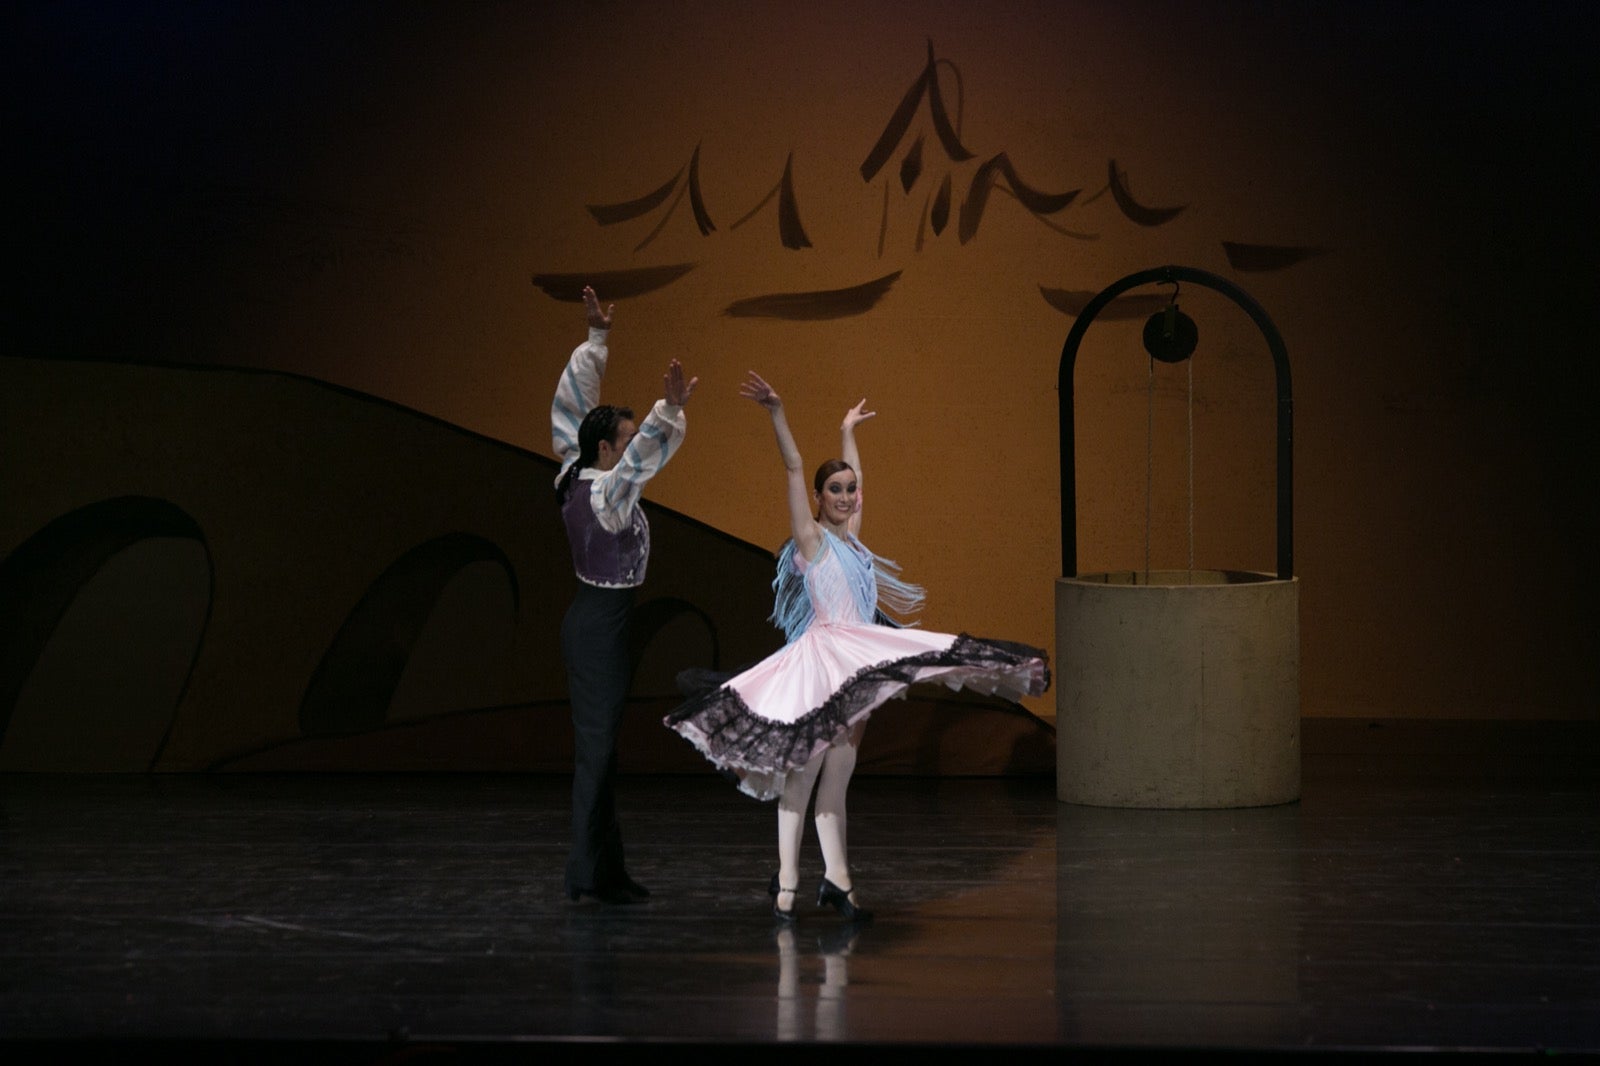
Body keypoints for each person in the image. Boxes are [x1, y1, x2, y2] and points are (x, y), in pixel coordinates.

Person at [665, 371, 1048, 923]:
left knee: (838, 779)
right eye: (835, 491)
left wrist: (849, 431)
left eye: (850, 490)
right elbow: (794, 467)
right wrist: (777, 411)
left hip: (858, 663)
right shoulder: (813, 542)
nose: (846, 497)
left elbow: (859, 474)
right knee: (801, 776)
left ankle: (839, 882)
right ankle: (788, 886)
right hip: (823, 664)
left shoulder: (854, 542)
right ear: (818, 500)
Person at [553, 285, 698, 905]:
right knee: (595, 755)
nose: (631, 443)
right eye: (625, 436)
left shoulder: (570, 468)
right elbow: (640, 461)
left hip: (597, 624)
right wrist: (667, 413)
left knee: (602, 753)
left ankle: (605, 871)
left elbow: (572, 412)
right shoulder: (606, 497)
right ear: (607, 450)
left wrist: (597, 342)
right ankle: (588, 873)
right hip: (600, 629)